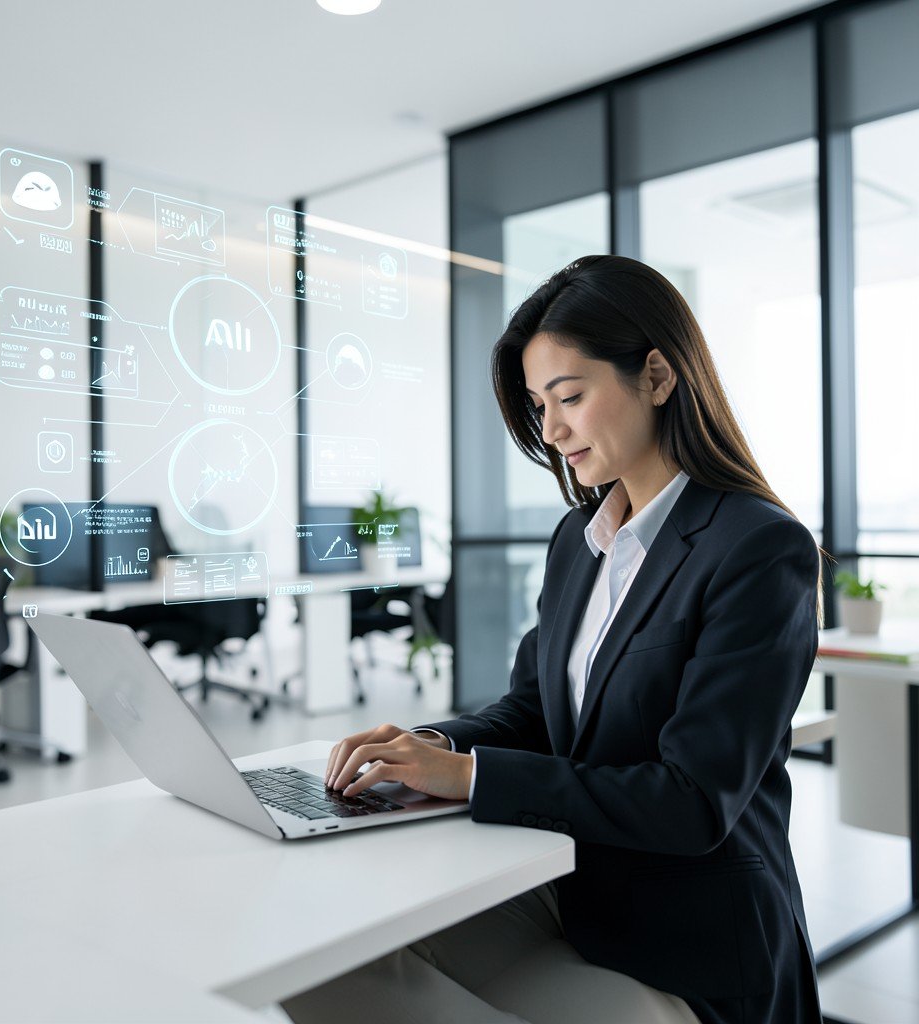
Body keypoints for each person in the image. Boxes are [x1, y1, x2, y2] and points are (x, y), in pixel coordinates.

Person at [282, 255, 827, 1024]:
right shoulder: (580, 539)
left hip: (697, 944)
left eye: (569, 396)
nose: (551, 429)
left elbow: (694, 802)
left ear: (659, 377)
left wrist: (468, 778)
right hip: (575, 892)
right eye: (539, 404)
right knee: (318, 960)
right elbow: (537, 708)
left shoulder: (757, 548)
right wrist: (424, 744)